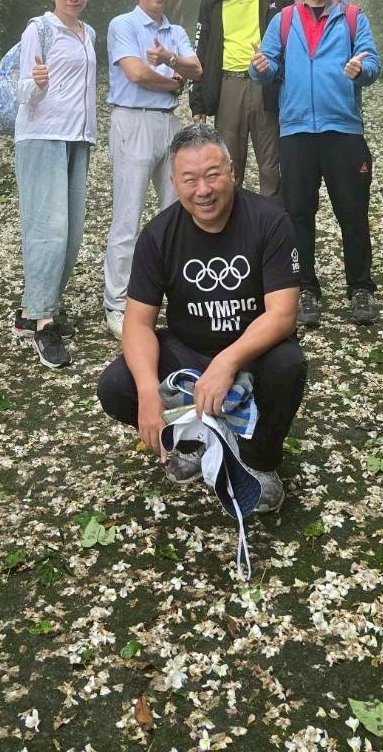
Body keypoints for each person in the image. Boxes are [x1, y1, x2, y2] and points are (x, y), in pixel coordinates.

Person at [96, 124, 306, 511]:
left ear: (232, 172)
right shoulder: (159, 234)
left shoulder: (270, 221)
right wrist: (147, 391)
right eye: (189, 179)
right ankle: (192, 441)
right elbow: (138, 322)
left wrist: (229, 362)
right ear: (174, 183)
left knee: (288, 363)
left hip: (252, 353)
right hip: (189, 353)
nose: (203, 190)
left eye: (213, 175)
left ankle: (257, 460)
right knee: (117, 384)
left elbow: (283, 314)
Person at [249, 0, 381, 329]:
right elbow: (268, 65)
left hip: (343, 129)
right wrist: (259, 67)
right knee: (298, 215)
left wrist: (361, 68)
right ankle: (306, 289)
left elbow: (372, 62)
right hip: (296, 131)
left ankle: (360, 287)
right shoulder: (285, 20)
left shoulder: (353, 17)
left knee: (352, 213)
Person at [103, 0, 203, 339]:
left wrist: (173, 62)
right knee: (127, 216)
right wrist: (174, 81)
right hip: (133, 119)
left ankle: (175, 295)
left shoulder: (174, 31)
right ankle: (117, 302)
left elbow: (197, 68)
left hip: (168, 124)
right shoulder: (123, 25)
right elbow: (138, 73)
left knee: (176, 211)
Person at [12, 0, 98, 369]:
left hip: (77, 138)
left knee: (73, 233)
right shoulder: (40, 29)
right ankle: (42, 320)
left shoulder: (89, 33)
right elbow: (23, 91)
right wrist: (36, 82)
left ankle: (36, 306)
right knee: (49, 231)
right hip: (41, 137)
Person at [189, 0, 294, 199]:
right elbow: (201, 50)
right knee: (228, 166)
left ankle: (273, 230)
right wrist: (198, 100)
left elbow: (293, 41)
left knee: (271, 166)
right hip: (227, 86)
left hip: (267, 85)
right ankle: (232, 232)